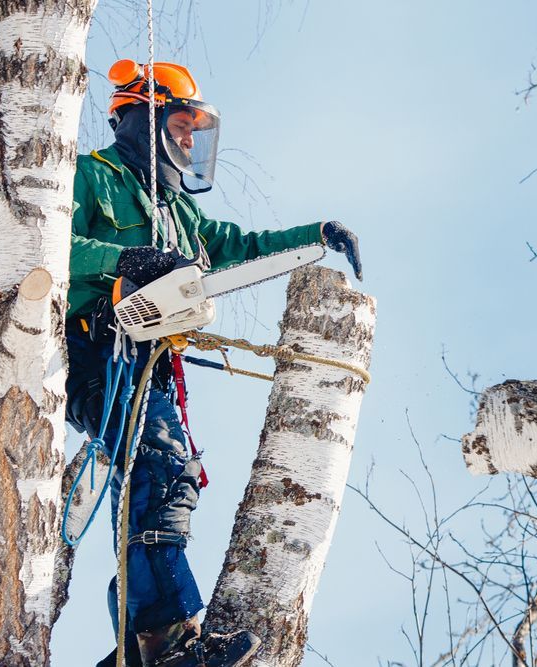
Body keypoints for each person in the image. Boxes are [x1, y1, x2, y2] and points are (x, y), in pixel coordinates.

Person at [66, 60, 362, 667]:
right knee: (159, 471)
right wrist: (128, 259)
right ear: (141, 117)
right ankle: (166, 639)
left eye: (191, 131)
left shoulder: (177, 212)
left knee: (168, 481)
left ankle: (139, 647)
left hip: (149, 360)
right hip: (98, 350)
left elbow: (239, 248)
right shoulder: (89, 177)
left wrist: (318, 234)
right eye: (177, 124)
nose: (185, 140)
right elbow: (49, 245)